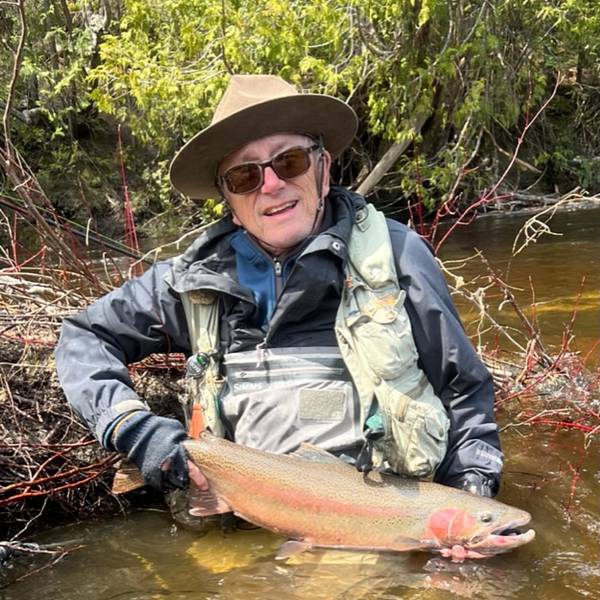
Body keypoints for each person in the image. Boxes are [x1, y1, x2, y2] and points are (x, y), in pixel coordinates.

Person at [55, 74, 503, 501]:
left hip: (380, 521)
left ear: (324, 170)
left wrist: (471, 492)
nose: (271, 185)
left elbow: (462, 390)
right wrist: (132, 427)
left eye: (290, 161)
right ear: (229, 202)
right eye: (245, 176)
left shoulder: (398, 256)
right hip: (248, 521)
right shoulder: (192, 280)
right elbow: (84, 337)